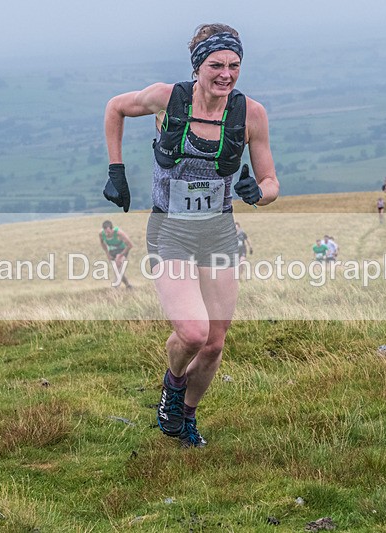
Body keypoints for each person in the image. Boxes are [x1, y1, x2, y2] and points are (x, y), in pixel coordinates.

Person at [103, 23, 279, 447]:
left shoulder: (250, 114)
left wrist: (257, 193)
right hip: (171, 230)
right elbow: (115, 108)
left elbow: (271, 181)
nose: (226, 74)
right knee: (194, 333)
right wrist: (116, 171)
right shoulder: (168, 99)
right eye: (216, 65)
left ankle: (187, 417)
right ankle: (173, 384)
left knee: (214, 344)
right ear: (198, 66)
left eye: (234, 65)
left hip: (218, 232)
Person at [99, 220, 133, 288]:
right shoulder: (101, 234)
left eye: (108, 232)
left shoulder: (119, 233)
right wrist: (107, 254)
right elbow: (102, 244)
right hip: (112, 251)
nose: (107, 234)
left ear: (112, 229)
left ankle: (115, 288)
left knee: (118, 270)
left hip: (122, 250)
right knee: (117, 270)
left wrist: (120, 255)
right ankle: (128, 286)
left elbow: (130, 245)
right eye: (105, 232)